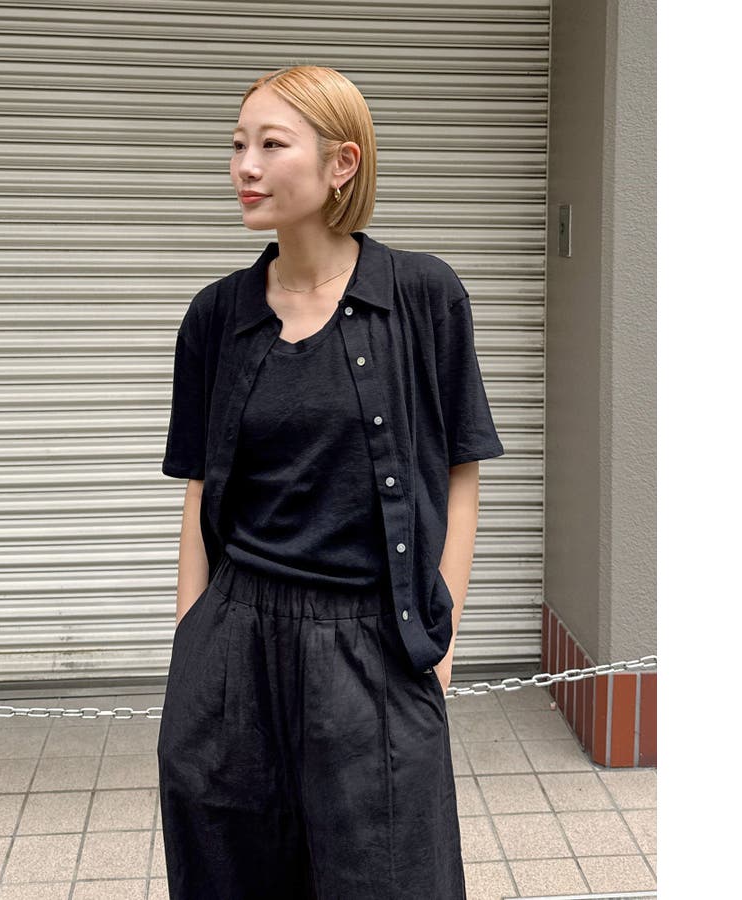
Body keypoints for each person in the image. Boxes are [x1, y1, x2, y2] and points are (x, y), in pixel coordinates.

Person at [157, 65, 504, 900]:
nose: (245, 166)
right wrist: (190, 655)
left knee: (392, 877)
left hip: (373, 643)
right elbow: (200, 491)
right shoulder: (215, 316)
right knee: (233, 874)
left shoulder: (423, 296)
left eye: (271, 145)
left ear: (342, 162)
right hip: (237, 643)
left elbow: (460, 474)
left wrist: (441, 644)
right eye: (237, 145)